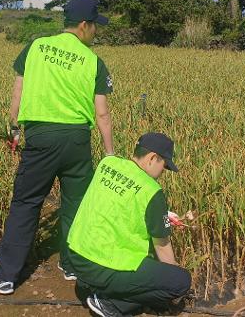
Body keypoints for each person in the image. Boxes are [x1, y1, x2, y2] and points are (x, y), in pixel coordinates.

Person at [0, 0, 114, 294]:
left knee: (26, 203)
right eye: (95, 27)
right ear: (83, 26)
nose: (96, 33)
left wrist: (14, 128)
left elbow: (18, 92)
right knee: (75, 204)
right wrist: (109, 153)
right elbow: (101, 112)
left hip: (40, 138)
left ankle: (6, 276)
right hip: (77, 141)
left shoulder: (35, 47)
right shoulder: (93, 61)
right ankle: (72, 265)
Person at [67, 132, 192, 317]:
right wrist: (172, 280)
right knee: (180, 281)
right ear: (153, 158)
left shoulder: (107, 164)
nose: (162, 173)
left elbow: (119, 202)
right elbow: (163, 248)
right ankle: (111, 304)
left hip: (76, 257)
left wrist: (161, 215)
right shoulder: (151, 191)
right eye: (164, 166)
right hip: (103, 266)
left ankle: (96, 287)